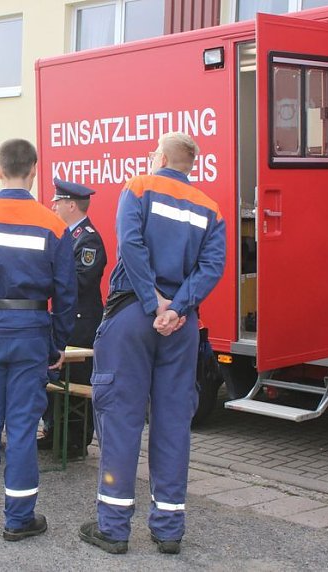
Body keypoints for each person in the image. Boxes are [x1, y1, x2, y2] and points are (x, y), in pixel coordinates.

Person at [80, 132, 226, 555]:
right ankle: (168, 530)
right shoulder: (211, 209)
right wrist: (177, 307)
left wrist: (152, 300)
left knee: (121, 417)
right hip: (181, 326)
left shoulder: (138, 187)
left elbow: (131, 244)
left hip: (133, 315)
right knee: (173, 421)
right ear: (190, 165)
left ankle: (113, 527)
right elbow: (211, 267)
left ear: (161, 156)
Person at [0, 138, 77, 541]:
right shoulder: (54, 224)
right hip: (31, 331)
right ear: (34, 171)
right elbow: (67, 293)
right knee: (23, 427)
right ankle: (20, 520)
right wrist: (56, 342)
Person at [39, 177, 107, 456]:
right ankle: (54, 432)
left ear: (71, 205)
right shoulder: (67, 235)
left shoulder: (88, 239)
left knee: (77, 376)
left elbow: (81, 281)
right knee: (57, 376)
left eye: (58, 201)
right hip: (65, 317)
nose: (53, 205)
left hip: (81, 321)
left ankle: (76, 441)